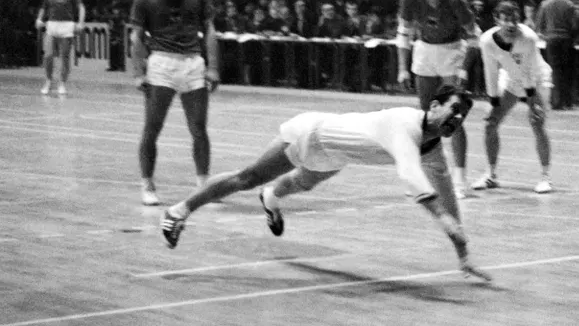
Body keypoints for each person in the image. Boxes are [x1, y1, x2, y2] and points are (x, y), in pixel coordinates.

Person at [157, 86, 491, 282]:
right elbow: (409, 172)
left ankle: (271, 198)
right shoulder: (405, 123)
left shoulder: (434, 150)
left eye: (464, 115)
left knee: (301, 184)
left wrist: (463, 254)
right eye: (456, 109)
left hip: (338, 155)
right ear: (434, 106)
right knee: (248, 177)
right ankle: (178, 211)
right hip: (315, 134)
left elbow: (448, 199)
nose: (459, 119)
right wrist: (442, 218)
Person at [129, 0, 220, 206]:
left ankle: (203, 185)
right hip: (161, 64)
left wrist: (213, 67)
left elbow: (210, 29)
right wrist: (138, 72)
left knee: (199, 129)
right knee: (152, 128)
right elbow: (136, 37)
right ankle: (147, 183)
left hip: (192, 62)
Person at [396, 0, 479, 197]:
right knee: (425, 118)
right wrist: (402, 68)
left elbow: (474, 39)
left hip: (451, 50)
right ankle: (425, 178)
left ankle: (460, 179)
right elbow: (403, 34)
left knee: (453, 116)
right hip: (424, 50)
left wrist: (464, 68)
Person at [472, 2, 554, 194]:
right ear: (496, 20)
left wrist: (533, 102)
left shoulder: (528, 38)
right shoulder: (486, 41)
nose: (511, 24)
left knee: (537, 123)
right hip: (511, 78)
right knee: (490, 123)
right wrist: (493, 100)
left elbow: (528, 72)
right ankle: (491, 175)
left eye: (514, 20)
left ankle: (545, 178)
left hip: (538, 78)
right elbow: (490, 70)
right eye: (506, 19)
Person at [34, 0, 85, 96]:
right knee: (48, 55)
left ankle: (62, 83)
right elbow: (43, 8)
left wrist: (80, 23)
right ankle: (48, 81)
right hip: (52, 26)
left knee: (65, 57)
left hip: (67, 26)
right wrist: (39, 19)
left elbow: (81, 7)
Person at [534, 0, 579, 110]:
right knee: (567, 70)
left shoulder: (545, 4)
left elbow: (539, 25)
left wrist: (546, 33)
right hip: (566, 39)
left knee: (555, 70)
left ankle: (556, 102)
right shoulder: (569, 4)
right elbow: (575, 25)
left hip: (551, 40)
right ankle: (568, 101)